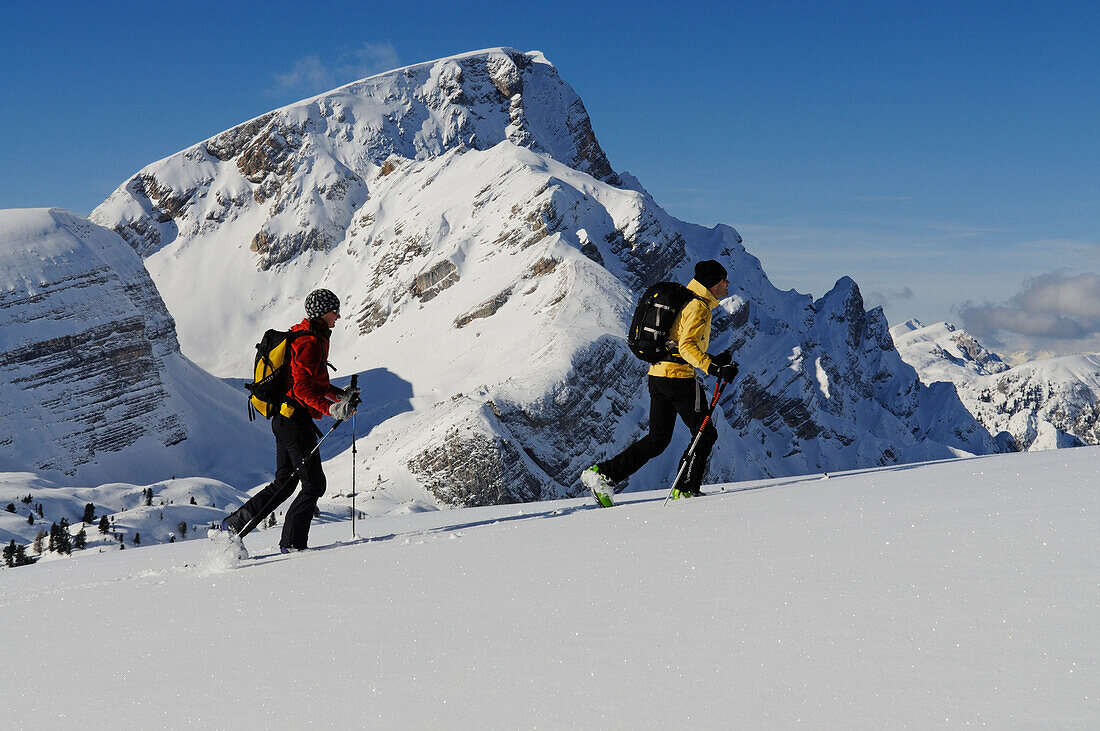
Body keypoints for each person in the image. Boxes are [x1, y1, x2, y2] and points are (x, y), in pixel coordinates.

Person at [582, 260, 738, 502]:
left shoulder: (687, 300)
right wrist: (713, 367)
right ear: (713, 285)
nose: (727, 283)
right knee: (704, 434)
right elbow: (686, 347)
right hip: (680, 378)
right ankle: (685, 488)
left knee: (658, 439)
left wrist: (714, 359)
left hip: (658, 376)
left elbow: (679, 342)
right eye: (723, 280)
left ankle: (603, 474)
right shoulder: (699, 307)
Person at [220, 288, 359, 552]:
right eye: (334, 311)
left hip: (287, 419)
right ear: (321, 313)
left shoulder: (312, 335)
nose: (338, 316)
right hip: (294, 422)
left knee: (284, 484)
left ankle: (232, 527)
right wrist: (332, 409)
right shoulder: (309, 342)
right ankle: (293, 545)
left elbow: (312, 382)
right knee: (314, 484)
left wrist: (342, 395)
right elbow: (302, 390)